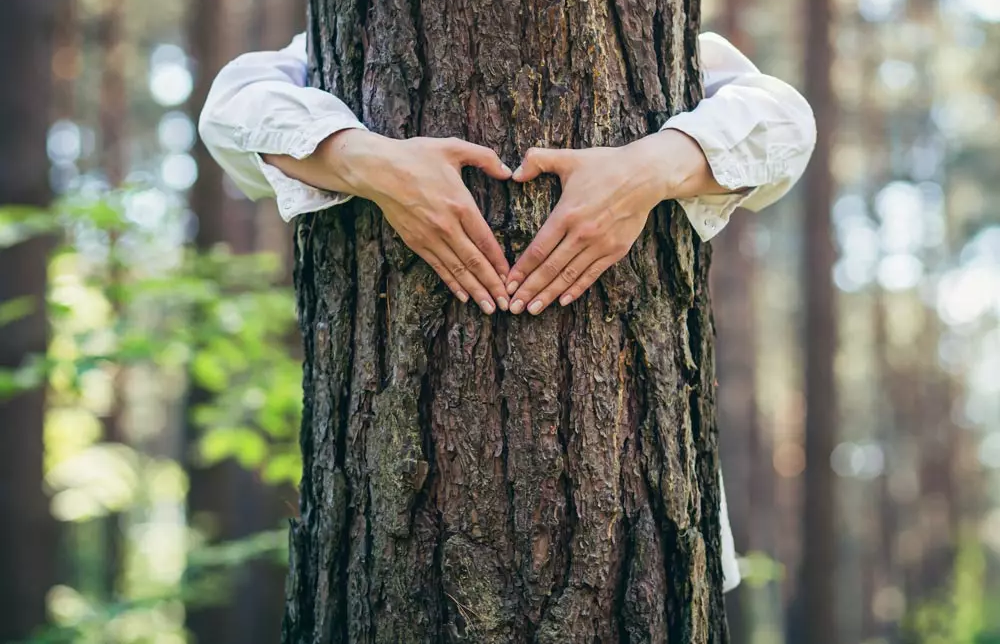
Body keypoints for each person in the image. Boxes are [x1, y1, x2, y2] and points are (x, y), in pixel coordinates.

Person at [199, 29, 817, 593]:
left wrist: (647, 169)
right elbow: (230, 109)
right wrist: (366, 160)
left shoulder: (661, 37)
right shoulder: (339, 42)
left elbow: (787, 122)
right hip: (389, 507)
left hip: (641, 522)